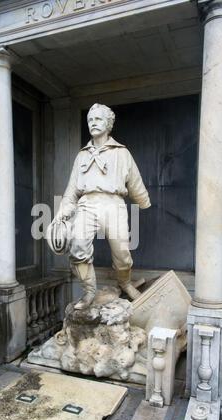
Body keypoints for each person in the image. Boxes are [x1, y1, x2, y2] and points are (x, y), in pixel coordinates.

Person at [55, 103, 151, 310]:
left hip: (113, 204)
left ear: (108, 124)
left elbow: (135, 181)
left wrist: (143, 201)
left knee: (122, 253)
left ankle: (124, 283)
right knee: (78, 247)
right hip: (87, 204)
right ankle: (89, 292)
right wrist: (62, 212)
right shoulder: (82, 155)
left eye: (98, 119)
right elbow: (72, 189)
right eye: (90, 120)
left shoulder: (121, 153)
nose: (93, 123)